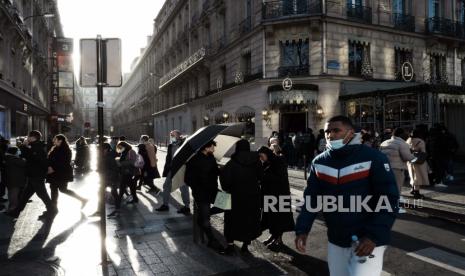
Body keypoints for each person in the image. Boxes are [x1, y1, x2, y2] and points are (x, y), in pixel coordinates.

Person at [295, 116, 399, 276]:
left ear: (350, 133)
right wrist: (302, 229)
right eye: (327, 131)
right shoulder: (319, 162)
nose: (330, 135)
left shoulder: (373, 158)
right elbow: (312, 199)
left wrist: (373, 236)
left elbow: (389, 199)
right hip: (336, 240)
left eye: (336, 130)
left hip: (368, 241)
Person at [220, 140, 262, 254]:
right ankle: (245, 245)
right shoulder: (256, 161)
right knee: (249, 220)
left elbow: (225, 184)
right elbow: (260, 177)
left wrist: (221, 172)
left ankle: (230, 246)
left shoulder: (231, 164)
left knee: (231, 221)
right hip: (252, 197)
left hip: (235, 198)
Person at [185, 140, 225, 254]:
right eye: (212, 147)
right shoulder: (193, 161)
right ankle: (212, 240)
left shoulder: (211, 158)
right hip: (201, 193)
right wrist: (197, 185)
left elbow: (216, 172)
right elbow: (187, 179)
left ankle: (204, 215)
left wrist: (221, 169)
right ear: (206, 148)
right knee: (206, 221)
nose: (214, 149)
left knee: (227, 203)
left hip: (213, 190)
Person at [7, 131, 57, 219]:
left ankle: (52, 210)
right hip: (33, 175)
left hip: (36, 175)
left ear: (33, 137)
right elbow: (29, 156)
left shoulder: (37, 147)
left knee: (42, 194)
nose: (27, 138)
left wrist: (23, 146)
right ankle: (16, 212)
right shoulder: (35, 146)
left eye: (29, 136)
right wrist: (24, 147)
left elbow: (34, 158)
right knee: (25, 195)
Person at [258, 146, 295, 248]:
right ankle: (273, 236)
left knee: (279, 218)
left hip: (279, 195)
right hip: (271, 195)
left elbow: (280, 178)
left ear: (267, 153)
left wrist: (263, 176)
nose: (261, 158)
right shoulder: (267, 162)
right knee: (272, 218)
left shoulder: (278, 161)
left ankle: (278, 240)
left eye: (262, 156)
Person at [379, 128, 417, 213]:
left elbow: (379, 156)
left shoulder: (384, 142)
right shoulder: (402, 144)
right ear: (400, 134)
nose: (407, 135)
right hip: (397, 170)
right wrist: (416, 158)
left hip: (384, 169)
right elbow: (407, 157)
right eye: (406, 133)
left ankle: (385, 207)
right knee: (396, 189)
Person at [47, 134, 88, 208]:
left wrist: (52, 168)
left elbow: (64, 162)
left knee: (63, 190)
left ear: (60, 141)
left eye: (55, 139)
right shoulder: (55, 148)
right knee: (54, 189)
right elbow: (50, 158)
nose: (53, 141)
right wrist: (49, 166)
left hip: (62, 173)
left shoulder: (66, 150)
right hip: (54, 173)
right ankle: (53, 206)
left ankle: (82, 199)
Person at [156, 130, 190, 214]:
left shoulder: (184, 145)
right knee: (166, 185)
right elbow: (168, 158)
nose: (172, 137)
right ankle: (165, 205)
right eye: (171, 135)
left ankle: (187, 206)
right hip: (172, 169)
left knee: (183, 188)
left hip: (181, 169)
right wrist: (166, 170)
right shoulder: (171, 145)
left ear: (179, 136)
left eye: (173, 135)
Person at [406, 129, 429, 199]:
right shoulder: (421, 141)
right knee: (417, 177)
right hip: (418, 161)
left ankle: (413, 189)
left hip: (410, 160)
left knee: (412, 175)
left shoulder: (408, 140)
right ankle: (417, 192)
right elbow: (423, 152)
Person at [4, 147, 26, 212]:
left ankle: (11, 207)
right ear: (14, 152)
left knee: (11, 193)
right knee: (14, 194)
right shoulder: (13, 158)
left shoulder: (7, 158)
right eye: (18, 150)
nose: (19, 151)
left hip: (11, 179)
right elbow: (24, 163)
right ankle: (13, 208)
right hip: (15, 180)